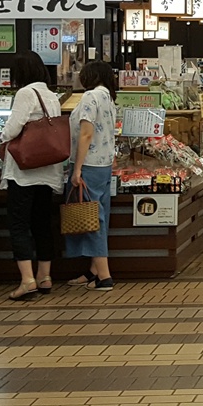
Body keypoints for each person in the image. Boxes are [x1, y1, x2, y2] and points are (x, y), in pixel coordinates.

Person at [0, 51, 63, 301]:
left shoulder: (26, 93)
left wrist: (1, 138)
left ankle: (27, 280)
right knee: (42, 223)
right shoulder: (51, 95)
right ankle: (44, 276)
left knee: (19, 224)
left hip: (25, 171)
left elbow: (14, 126)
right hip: (48, 169)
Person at [66, 61, 117, 290]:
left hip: (90, 165)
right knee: (100, 216)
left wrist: (77, 169)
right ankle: (93, 272)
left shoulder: (90, 97)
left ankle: (104, 277)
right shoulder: (108, 97)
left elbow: (86, 134)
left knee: (93, 219)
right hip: (105, 165)